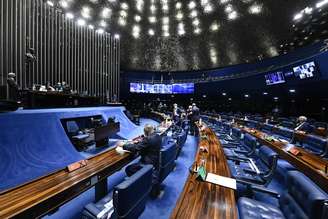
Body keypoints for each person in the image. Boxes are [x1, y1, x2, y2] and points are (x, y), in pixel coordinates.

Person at [116, 124, 162, 195]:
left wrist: (123, 145)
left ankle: (141, 182)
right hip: (156, 163)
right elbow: (147, 144)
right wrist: (142, 141)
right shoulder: (158, 136)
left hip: (148, 164)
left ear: (146, 133)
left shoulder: (148, 139)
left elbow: (136, 148)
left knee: (128, 169)